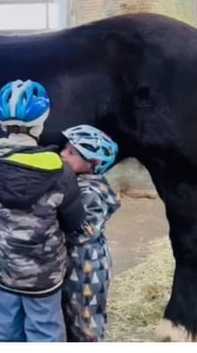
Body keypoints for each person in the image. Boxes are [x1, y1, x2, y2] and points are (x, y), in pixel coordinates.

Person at [0, 79, 86, 342]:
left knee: (5, 332)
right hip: (43, 277)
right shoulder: (60, 171)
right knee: (45, 333)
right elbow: (74, 222)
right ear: (41, 122)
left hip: (3, 271)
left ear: (0, 122)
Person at [58, 124, 121, 342]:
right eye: (65, 148)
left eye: (71, 152)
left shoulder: (91, 192)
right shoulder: (76, 183)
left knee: (86, 326)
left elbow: (82, 231)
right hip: (74, 263)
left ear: (92, 163)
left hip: (87, 267)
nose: (62, 154)